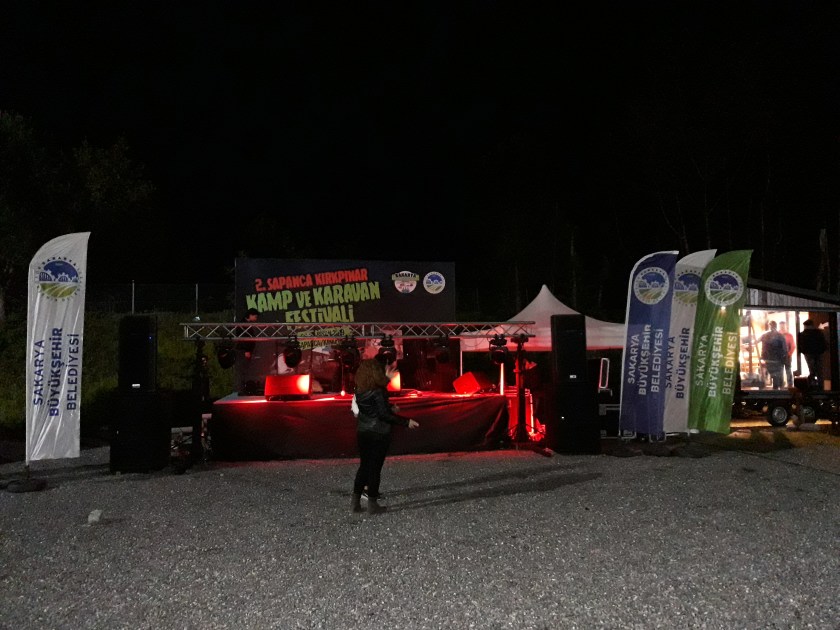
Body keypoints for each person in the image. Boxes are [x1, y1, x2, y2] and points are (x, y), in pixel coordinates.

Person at [350, 358, 419, 515]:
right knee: (375, 469)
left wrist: (389, 408)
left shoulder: (359, 389)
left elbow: (372, 408)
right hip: (378, 433)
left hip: (363, 431)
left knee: (364, 467)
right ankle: (372, 505)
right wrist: (406, 421)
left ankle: (355, 503)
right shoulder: (378, 391)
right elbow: (383, 415)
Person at [798, 319, 827, 389]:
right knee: (819, 370)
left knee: (812, 369)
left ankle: (811, 384)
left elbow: (800, 345)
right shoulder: (818, 333)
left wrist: (803, 351)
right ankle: (820, 386)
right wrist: (822, 350)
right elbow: (823, 343)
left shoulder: (802, 334)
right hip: (818, 353)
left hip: (808, 354)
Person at [758, 320, 787, 390]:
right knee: (777, 375)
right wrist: (783, 357)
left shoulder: (764, 335)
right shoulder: (780, 336)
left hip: (766, 358)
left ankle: (764, 389)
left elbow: (755, 341)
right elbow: (784, 349)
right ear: (776, 326)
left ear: (769, 326)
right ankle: (777, 389)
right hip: (777, 359)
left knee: (765, 375)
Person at [778, 321, 796, 387]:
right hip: (779, 356)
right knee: (781, 370)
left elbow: (793, 346)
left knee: (787, 370)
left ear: (785, 326)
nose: (782, 327)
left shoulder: (789, 335)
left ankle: (789, 384)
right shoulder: (777, 335)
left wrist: (789, 354)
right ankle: (781, 384)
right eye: (781, 326)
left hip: (787, 355)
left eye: (783, 326)